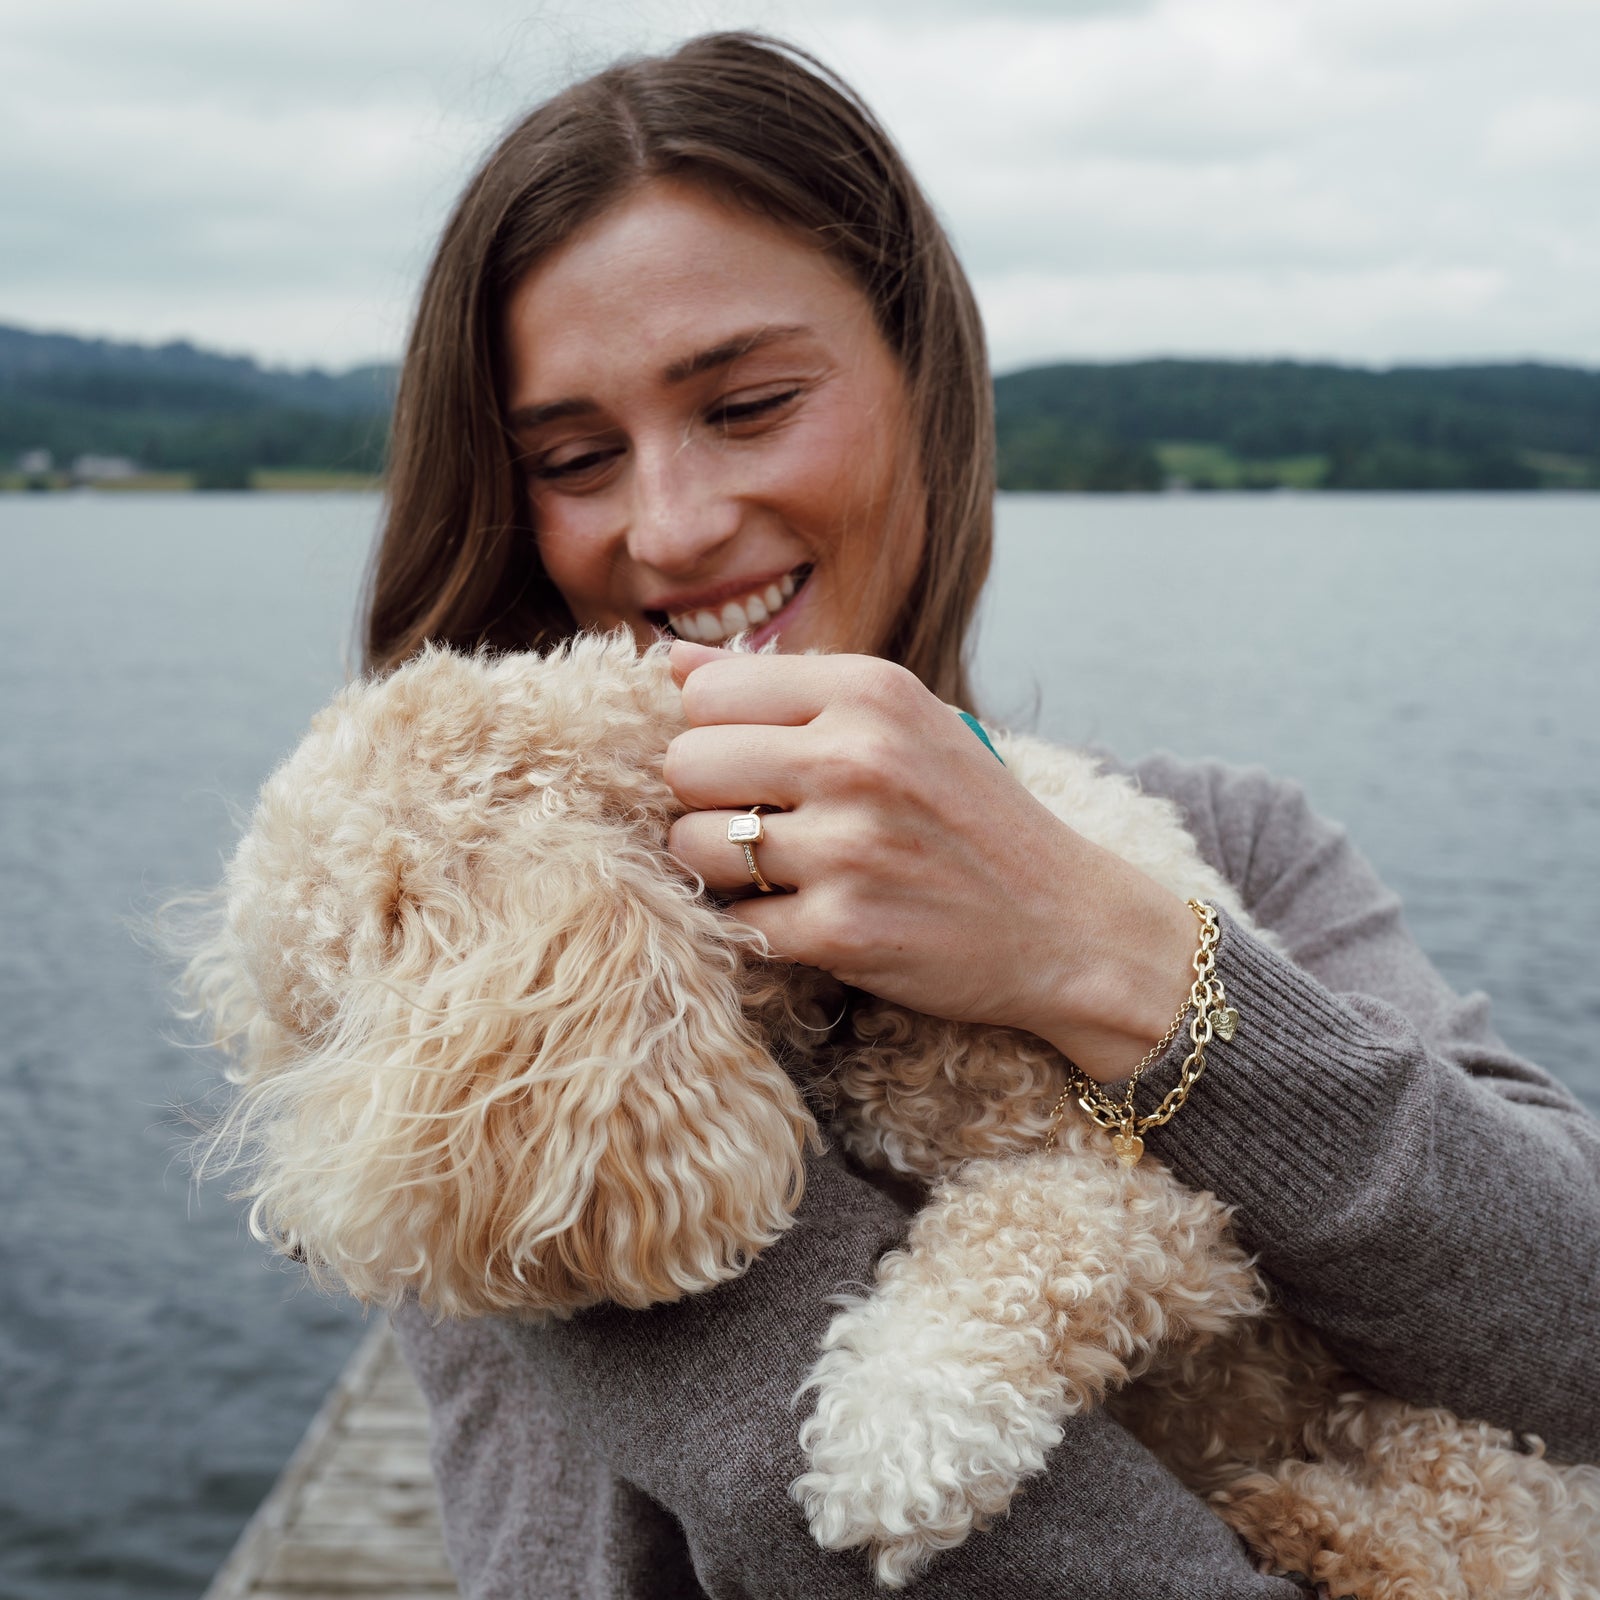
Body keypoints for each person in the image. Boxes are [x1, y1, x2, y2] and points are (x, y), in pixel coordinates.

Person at [365, 30, 1600, 1599]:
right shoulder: (479, 949)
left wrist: (1117, 955)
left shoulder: (1236, 841)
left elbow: (1580, 1342)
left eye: (746, 406)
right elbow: (829, 1515)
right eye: (573, 456)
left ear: (923, 383)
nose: (667, 527)